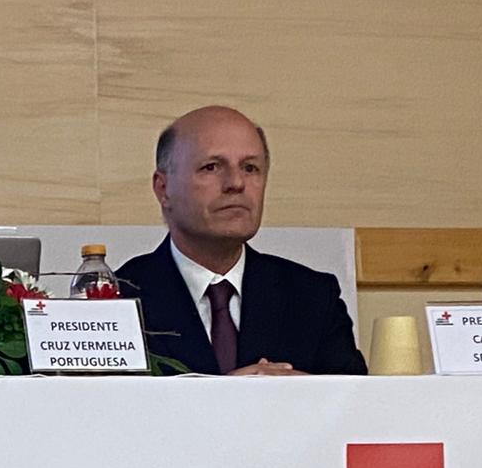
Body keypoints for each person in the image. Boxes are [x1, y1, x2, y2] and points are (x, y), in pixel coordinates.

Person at [115, 105, 365, 376]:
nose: (236, 183)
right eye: (211, 167)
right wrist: (229, 392)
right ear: (163, 189)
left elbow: (356, 398)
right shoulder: (117, 300)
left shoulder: (312, 297)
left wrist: (299, 387)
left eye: (250, 168)